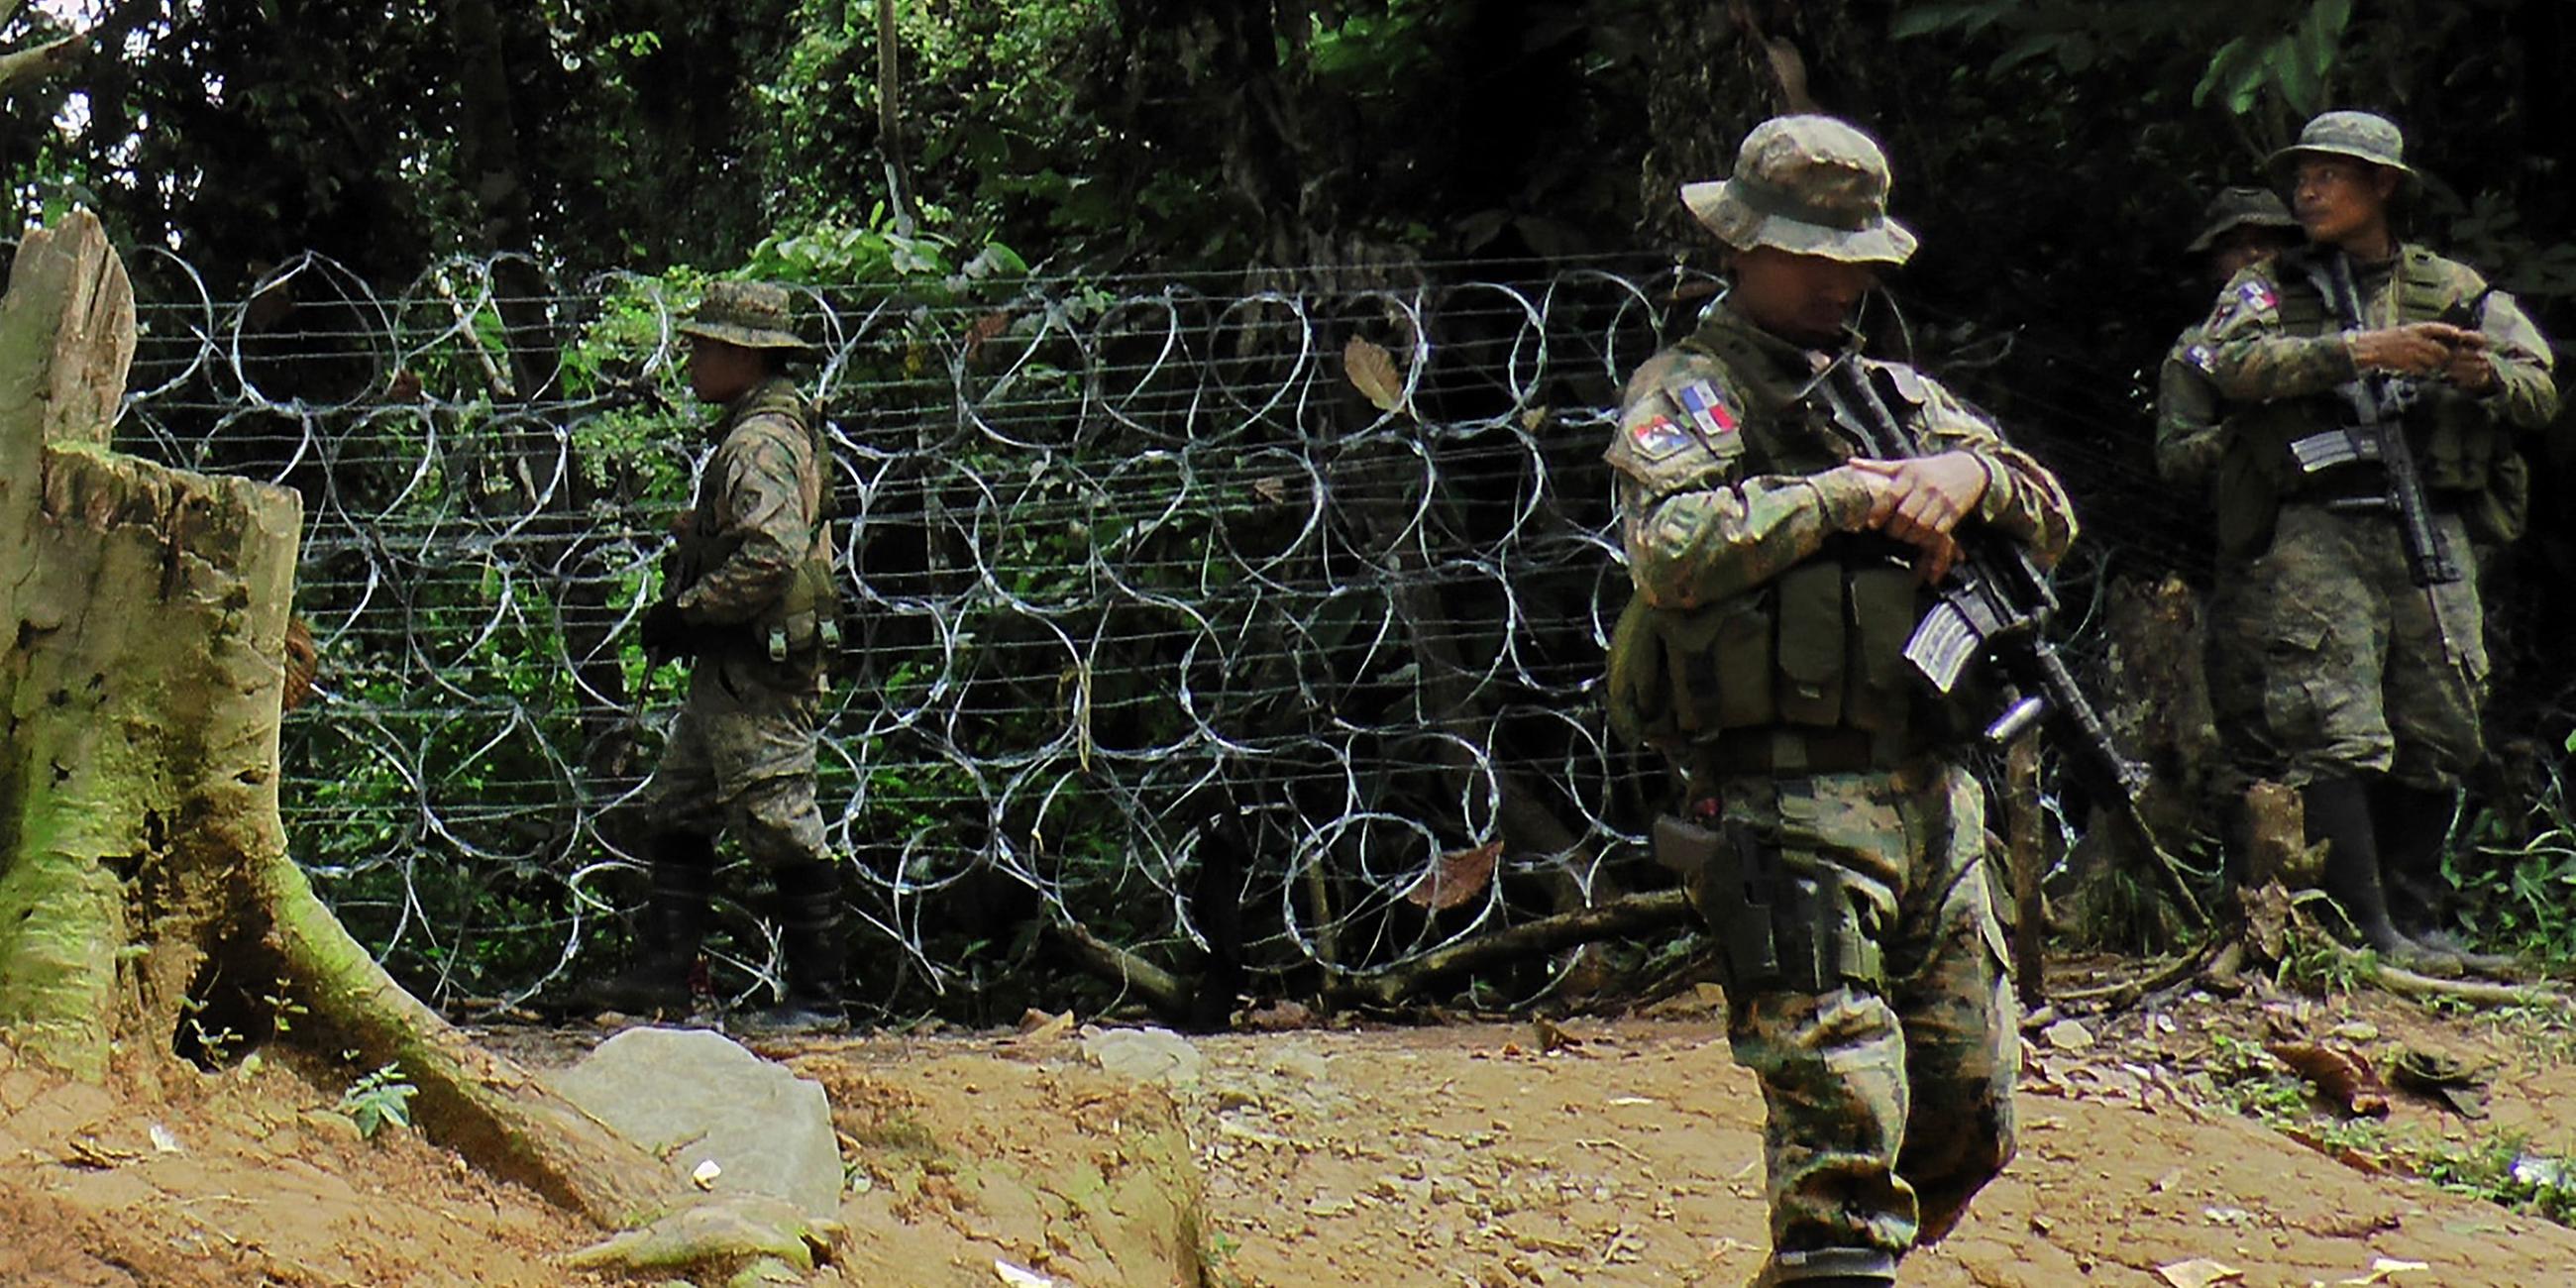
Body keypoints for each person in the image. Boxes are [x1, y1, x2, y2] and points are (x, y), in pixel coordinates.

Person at [1601, 115, 2075, 1287]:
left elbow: (2046, 513)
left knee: (1967, 1114)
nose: (1834, 279)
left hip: (1935, 792)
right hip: (1786, 793)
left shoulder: (1897, 396)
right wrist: (1840, 503)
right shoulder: (1692, 390)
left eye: (1850, 255)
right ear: (1741, 248)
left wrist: (1962, 478)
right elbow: (1667, 550)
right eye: (1808, 253)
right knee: (1842, 1123)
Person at [2200, 110, 2557, 969]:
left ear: (2383, 186)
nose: (2308, 190)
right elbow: (2226, 364)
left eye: (2330, 174)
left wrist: (2482, 375)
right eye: (2304, 175)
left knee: (2444, 715)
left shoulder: (2456, 288)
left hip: (2428, 526)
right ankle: (2363, 928)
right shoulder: (2270, 288)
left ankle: (2418, 920)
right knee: (2331, 717)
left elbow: (2539, 390)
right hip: (2320, 524)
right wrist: (2358, 351)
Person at [585, 279, 850, 1034]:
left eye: (705, 346)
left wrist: (687, 613)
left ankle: (818, 1001)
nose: (692, 358)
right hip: (732, 667)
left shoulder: (758, 441)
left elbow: (770, 553)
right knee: (681, 802)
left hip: (754, 668)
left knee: (780, 815)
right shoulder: (761, 428)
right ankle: (663, 976)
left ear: (745, 355)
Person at [2154, 187, 2304, 857]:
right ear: (2215, 263)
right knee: (2253, 728)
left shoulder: (2331, 332)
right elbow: (2175, 458)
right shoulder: (2197, 356)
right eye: (2237, 246)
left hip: (2343, 536)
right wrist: (2242, 435)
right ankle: (2257, 893)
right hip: (2255, 553)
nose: (2253, 257)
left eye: (2267, 242)